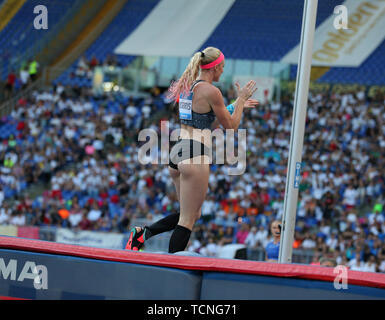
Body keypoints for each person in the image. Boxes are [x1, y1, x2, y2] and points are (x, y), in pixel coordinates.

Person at [125, 46, 258, 253]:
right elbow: (230, 127)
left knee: (190, 214)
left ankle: (144, 234)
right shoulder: (212, 91)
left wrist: (233, 106)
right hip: (195, 153)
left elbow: (205, 120)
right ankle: (172, 268)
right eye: (222, 68)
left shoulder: (188, 86)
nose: (223, 72)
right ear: (215, 68)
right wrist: (240, 100)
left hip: (177, 151)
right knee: (187, 220)